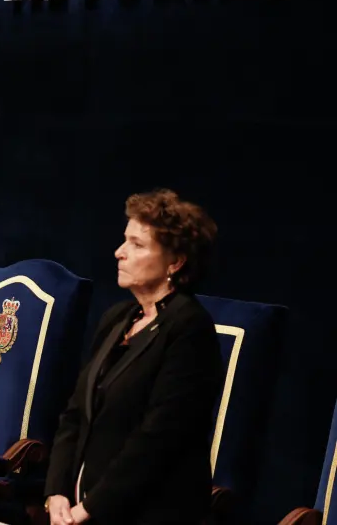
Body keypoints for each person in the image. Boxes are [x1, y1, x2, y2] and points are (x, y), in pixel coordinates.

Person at [44, 189, 222, 525]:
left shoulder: (189, 328)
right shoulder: (118, 317)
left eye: (137, 245)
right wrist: (56, 493)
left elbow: (159, 440)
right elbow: (74, 414)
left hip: (149, 512)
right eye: (124, 241)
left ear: (176, 261)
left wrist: (89, 509)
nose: (119, 253)